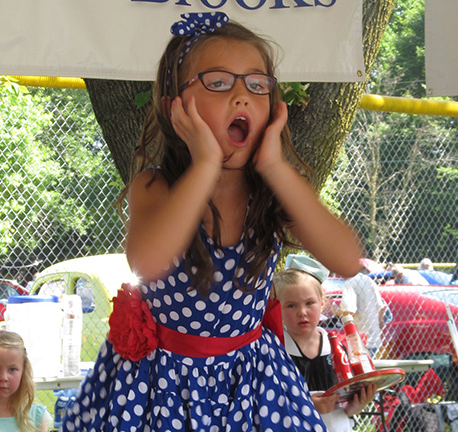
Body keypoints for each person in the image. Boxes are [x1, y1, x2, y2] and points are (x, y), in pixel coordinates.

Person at [62, 11, 362, 432]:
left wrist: (275, 165)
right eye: (218, 83)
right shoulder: (156, 186)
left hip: (252, 388)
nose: (242, 96)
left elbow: (347, 259)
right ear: (177, 108)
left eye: (257, 85)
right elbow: (148, 261)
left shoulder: (270, 195)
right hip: (160, 388)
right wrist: (205, 162)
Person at [274, 259, 377, 432]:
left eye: (309, 303)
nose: (302, 312)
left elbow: (343, 409)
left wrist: (358, 403)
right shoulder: (276, 350)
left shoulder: (335, 346)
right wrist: (307, 406)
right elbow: (270, 405)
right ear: (278, 308)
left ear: (322, 303)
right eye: (291, 305)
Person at [338, 272, 390, 355]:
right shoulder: (368, 280)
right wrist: (379, 326)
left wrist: (335, 311)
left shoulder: (349, 283)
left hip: (361, 340)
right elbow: (381, 308)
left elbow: (349, 312)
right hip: (374, 338)